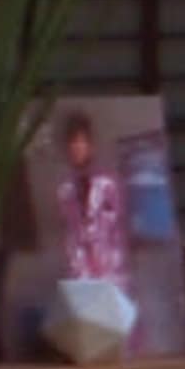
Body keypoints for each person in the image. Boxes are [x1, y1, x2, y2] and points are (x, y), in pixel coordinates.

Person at [54, 115, 128, 284]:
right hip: (81, 271)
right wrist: (79, 270)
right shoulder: (65, 191)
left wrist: (113, 268)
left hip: (111, 268)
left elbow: (117, 229)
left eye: (81, 141)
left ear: (90, 145)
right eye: (72, 143)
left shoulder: (107, 185)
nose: (76, 147)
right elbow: (70, 234)